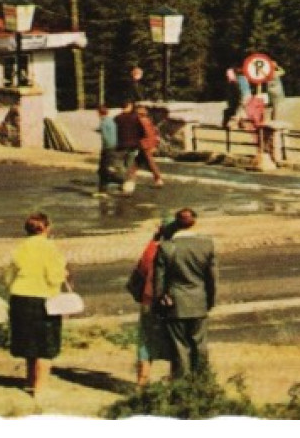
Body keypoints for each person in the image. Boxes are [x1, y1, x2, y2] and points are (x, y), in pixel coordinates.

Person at [6, 212, 68, 397]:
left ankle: (29, 382)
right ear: (47, 228)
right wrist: (63, 274)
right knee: (45, 346)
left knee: (28, 344)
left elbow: (8, 277)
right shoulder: (50, 249)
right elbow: (53, 276)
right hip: (43, 299)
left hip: (19, 297)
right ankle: (40, 389)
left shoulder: (20, 248)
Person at [152, 207, 218, 377]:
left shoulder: (166, 248)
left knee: (179, 346)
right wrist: (209, 300)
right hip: (198, 300)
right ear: (194, 222)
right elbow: (212, 278)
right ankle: (203, 382)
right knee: (200, 344)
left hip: (175, 303)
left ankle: (181, 386)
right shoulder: (207, 244)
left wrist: (159, 302)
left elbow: (158, 281)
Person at [126, 218, 177, 388]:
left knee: (146, 342)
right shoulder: (178, 249)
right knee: (175, 341)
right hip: (173, 302)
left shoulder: (152, 249)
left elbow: (141, 270)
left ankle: (142, 382)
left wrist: (154, 239)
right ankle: (175, 381)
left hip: (149, 300)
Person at [113, 100, 144, 193]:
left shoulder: (117, 118)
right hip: (134, 145)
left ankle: (124, 180)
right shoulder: (135, 118)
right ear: (129, 106)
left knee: (118, 164)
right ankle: (129, 183)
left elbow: (114, 132)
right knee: (130, 164)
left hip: (121, 144)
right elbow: (142, 131)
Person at [132, 104, 166, 187]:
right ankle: (130, 178)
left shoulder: (142, 121)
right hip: (145, 144)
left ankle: (158, 178)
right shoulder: (147, 120)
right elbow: (153, 133)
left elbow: (147, 134)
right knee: (137, 162)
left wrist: (152, 145)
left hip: (145, 144)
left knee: (149, 162)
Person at [95, 105, 124, 195]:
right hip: (114, 147)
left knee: (104, 169)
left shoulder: (103, 122)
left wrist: (105, 147)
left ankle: (120, 181)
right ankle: (103, 189)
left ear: (99, 113)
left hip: (107, 148)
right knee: (104, 169)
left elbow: (106, 136)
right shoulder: (111, 121)